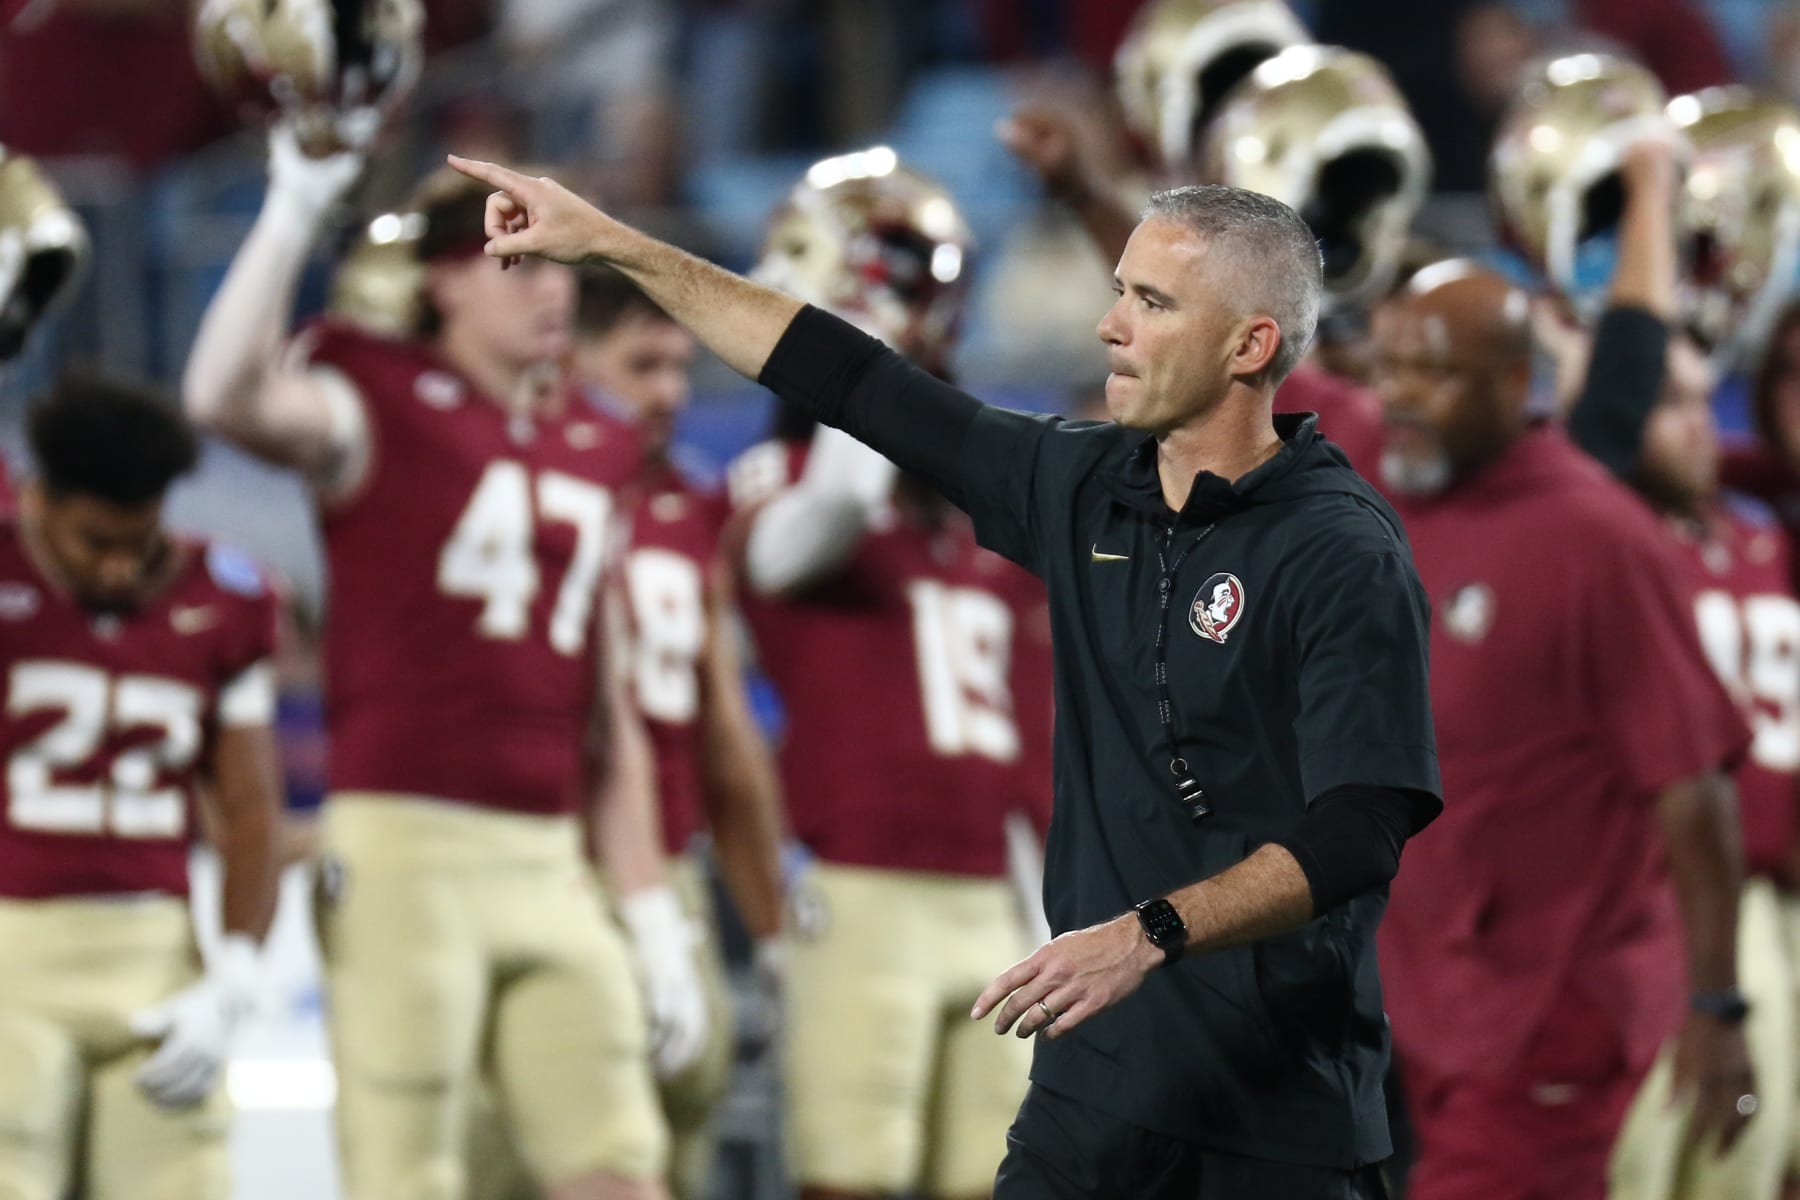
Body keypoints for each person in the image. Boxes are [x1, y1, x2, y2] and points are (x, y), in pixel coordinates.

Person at [449, 153, 1443, 1198]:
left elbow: (1361, 826)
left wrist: (1150, 934)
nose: (1110, 327)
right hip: (1093, 1089)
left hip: (1274, 1111)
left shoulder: (1342, 550)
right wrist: (613, 241)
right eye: (1118, 292)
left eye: (1152, 303)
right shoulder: (1080, 483)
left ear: (1252, 345)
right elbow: (850, 378)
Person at [182, 126, 701, 1200]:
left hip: (550, 856)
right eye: (512, 262)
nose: (547, 292)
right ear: (441, 283)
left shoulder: (594, 448)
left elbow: (605, 718)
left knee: (620, 1173)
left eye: (555, 263)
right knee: (407, 1177)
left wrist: (649, 912)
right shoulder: (373, 399)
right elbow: (221, 397)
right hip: (406, 853)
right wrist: (289, 212)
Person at [1368, 260, 1755, 1200]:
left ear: (1513, 385)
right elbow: (1247, 355)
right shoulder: (1394, 486)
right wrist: (1092, 196)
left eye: (1437, 373)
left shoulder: (1596, 538)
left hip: (1548, 1011)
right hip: (1428, 1002)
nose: (1402, 399)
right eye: (1390, 370)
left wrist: (1717, 1002)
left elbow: (1693, 784)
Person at [725, 151, 1054, 1200]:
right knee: (849, 1178)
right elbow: (815, 527)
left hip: (991, 909)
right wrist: (851, 362)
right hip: (862, 884)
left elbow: (1026, 764)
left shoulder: (980, 547)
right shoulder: (785, 488)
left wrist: (1044, 927)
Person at [0, 372, 282, 1200]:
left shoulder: (224, 597)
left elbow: (250, 806)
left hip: (156, 956)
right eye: (96, 542)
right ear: (38, 499)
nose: (122, 568)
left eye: (142, 540)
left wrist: (234, 971)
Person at [573, 266, 788, 1199]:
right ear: (563, 357)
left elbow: (727, 733)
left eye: (676, 367)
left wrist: (771, 926)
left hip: (672, 862)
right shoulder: (516, 483)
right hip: (553, 872)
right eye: (639, 364)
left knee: (681, 1137)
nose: (667, 391)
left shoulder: (689, 507)